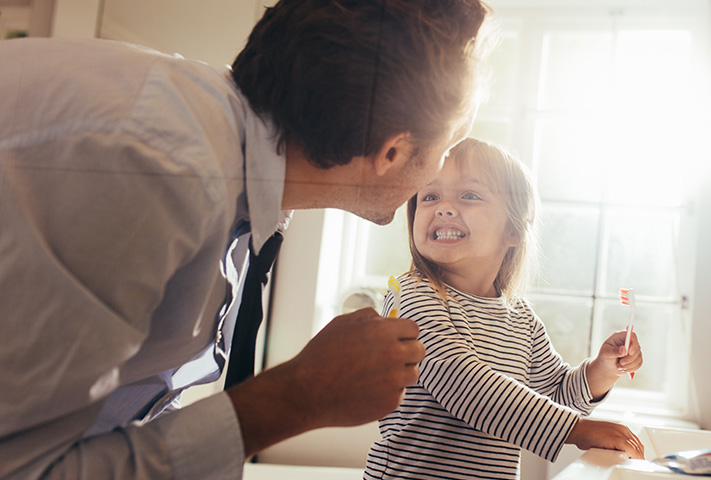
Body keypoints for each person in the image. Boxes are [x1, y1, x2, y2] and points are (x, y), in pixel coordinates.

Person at [0, 0, 493, 478]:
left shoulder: (228, 165)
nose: (438, 175)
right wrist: (299, 395)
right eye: (446, 147)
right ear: (393, 152)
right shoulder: (157, 170)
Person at [363, 138, 645, 479]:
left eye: (469, 195)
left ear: (512, 229)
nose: (444, 207)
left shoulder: (521, 319)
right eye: (429, 196)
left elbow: (556, 396)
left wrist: (602, 370)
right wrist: (577, 430)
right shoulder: (411, 296)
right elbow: (462, 382)